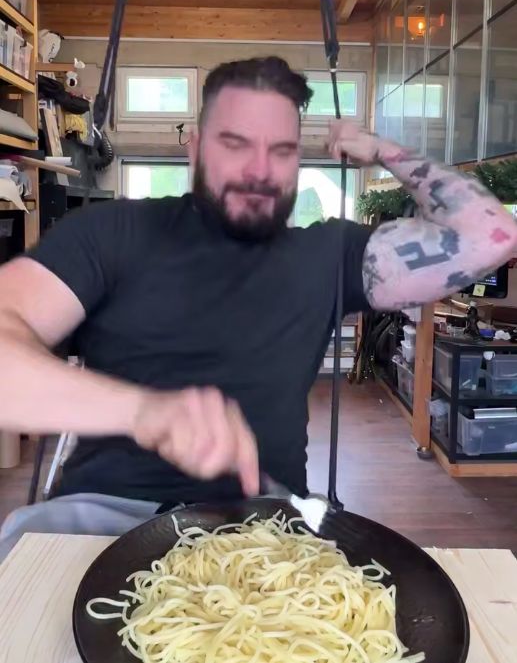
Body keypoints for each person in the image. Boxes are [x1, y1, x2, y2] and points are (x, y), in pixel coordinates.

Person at [0, 56, 515, 557]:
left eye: (282, 150)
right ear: (195, 148)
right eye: (235, 143)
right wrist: (143, 411)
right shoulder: (110, 234)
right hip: (104, 520)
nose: (260, 170)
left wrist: (383, 149)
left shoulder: (331, 257)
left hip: (263, 530)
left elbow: (492, 236)